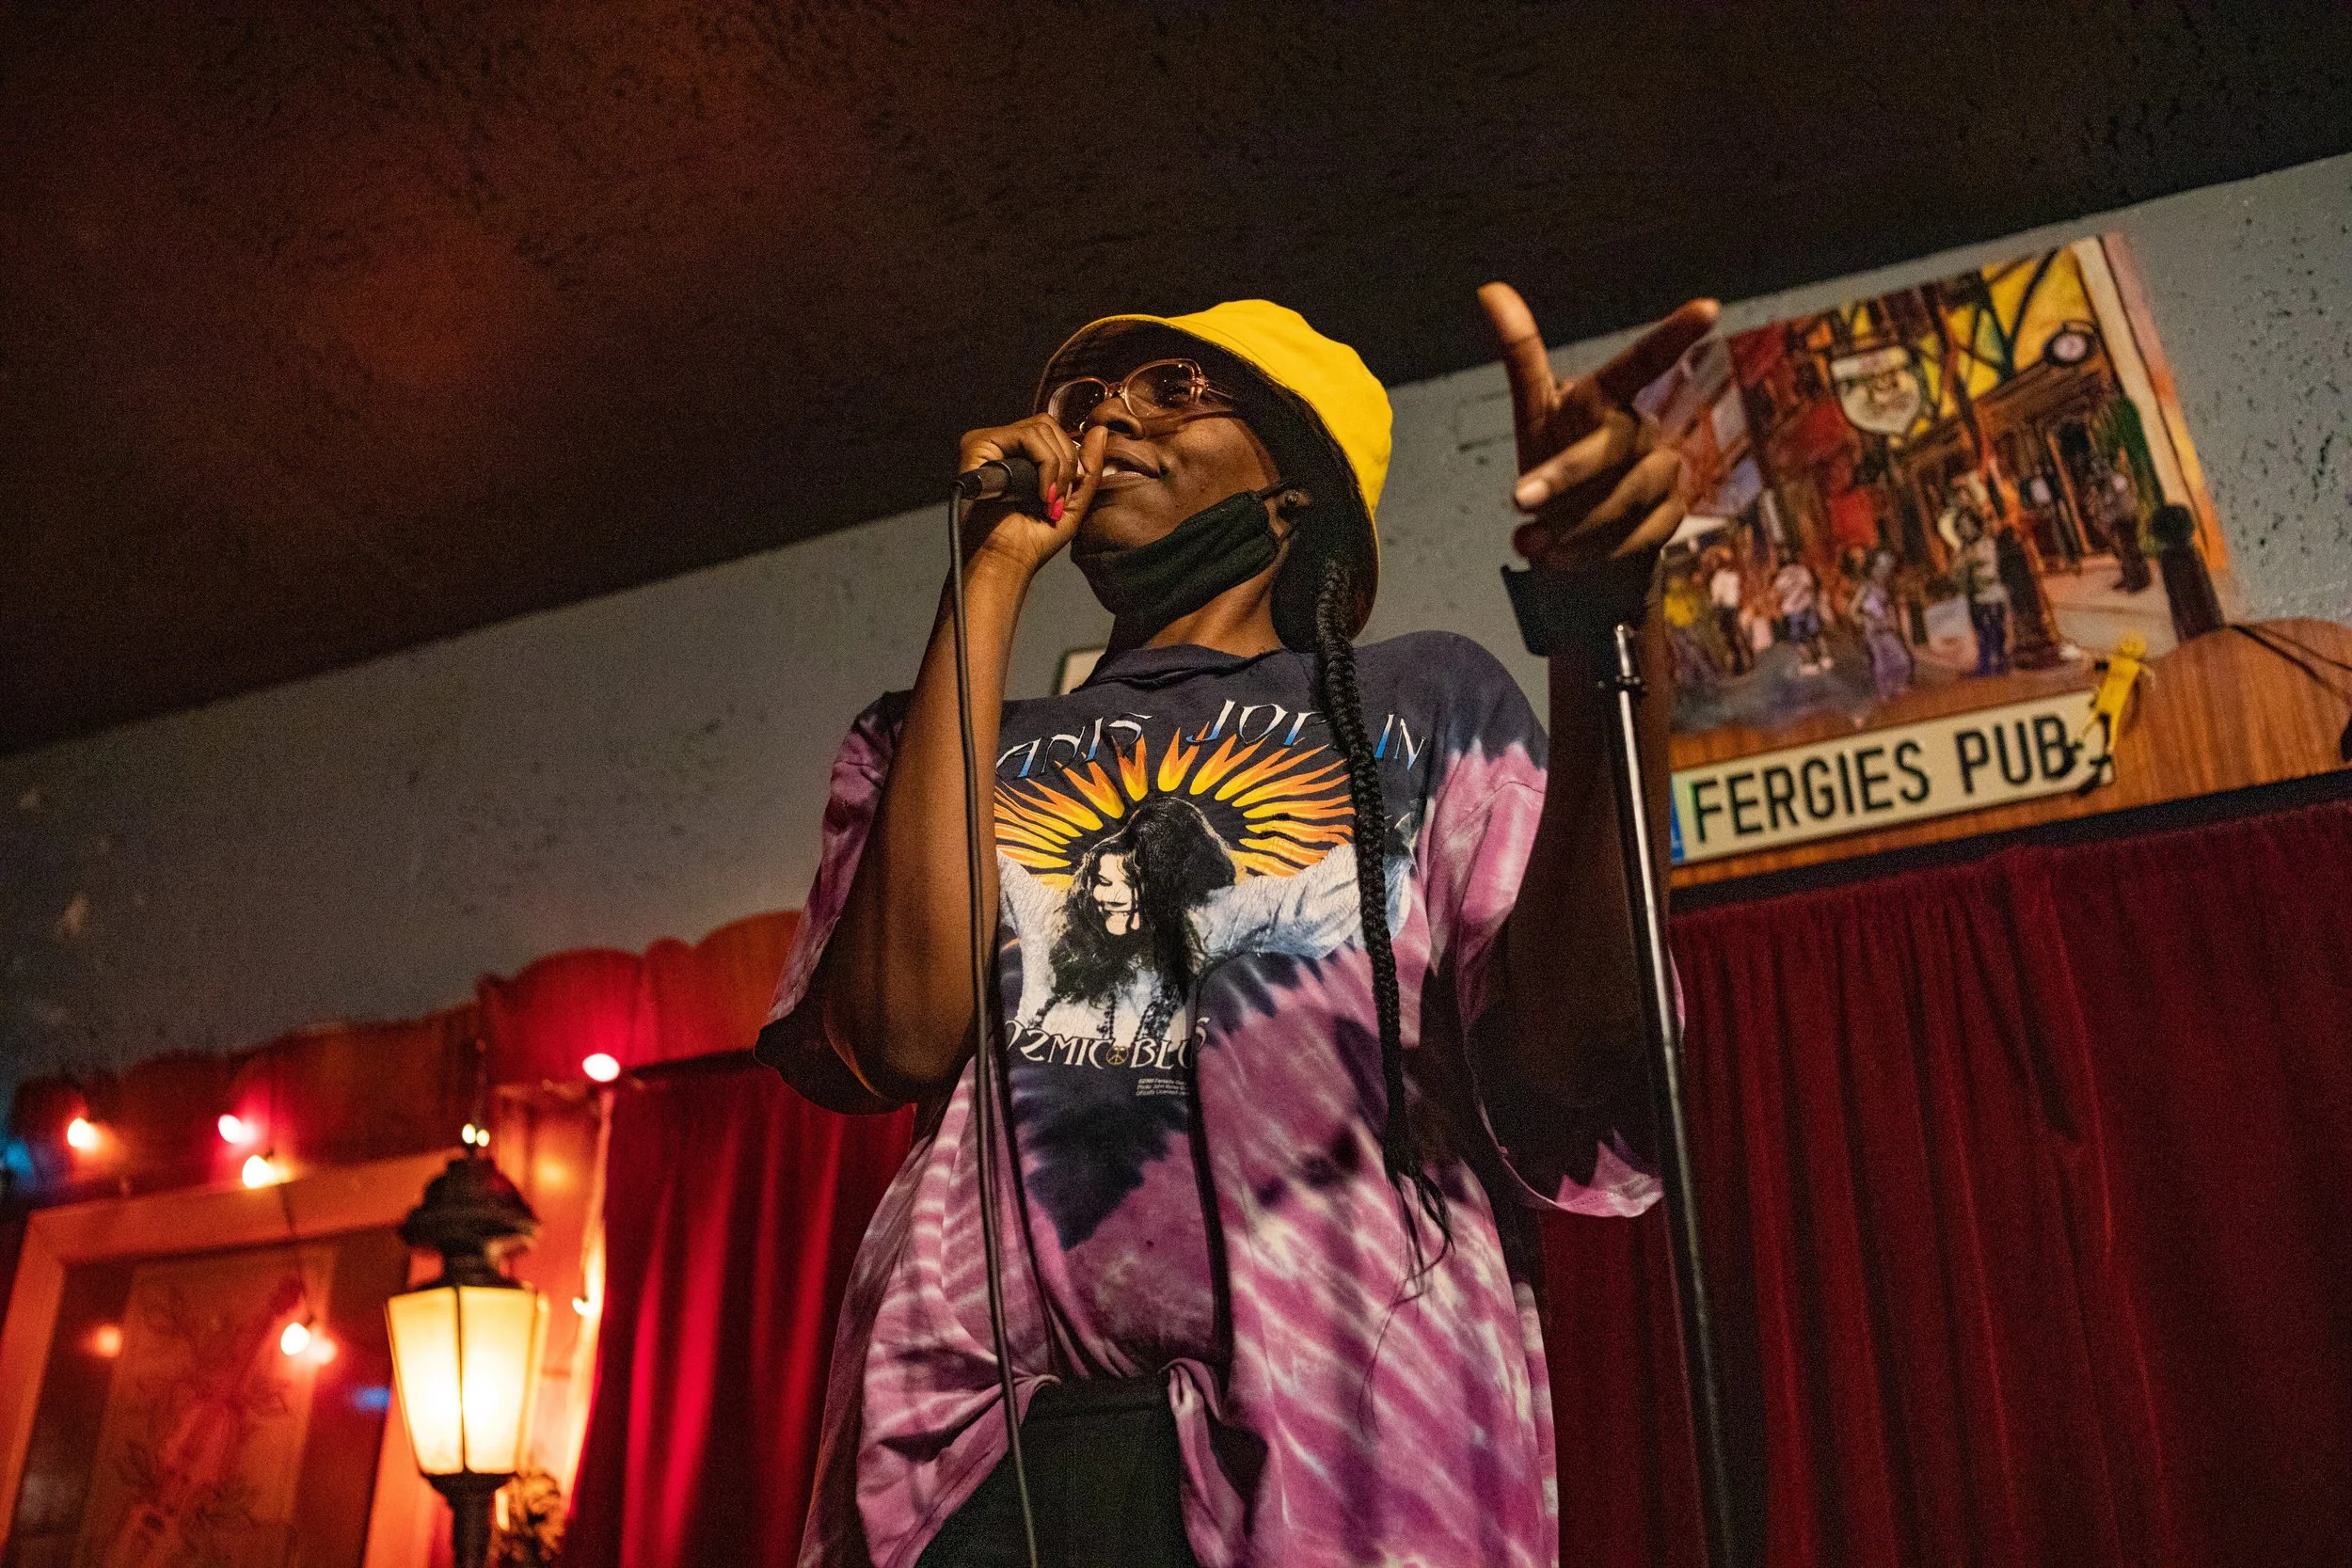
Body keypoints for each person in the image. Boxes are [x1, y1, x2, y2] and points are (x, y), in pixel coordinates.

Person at [756, 292, 1713, 1568]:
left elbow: (1578, 1044)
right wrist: (985, 573)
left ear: (1298, 486)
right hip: (982, 1455)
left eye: (1171, 386)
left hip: (1351, 1450)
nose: (1107, 417)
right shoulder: (945, 740)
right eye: (1089, 398)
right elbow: (899, 1032)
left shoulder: (1421, 701)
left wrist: (1606, 624)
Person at [1851, 547, 1913, 700]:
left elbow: (1888, 607)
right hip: (1873, 630)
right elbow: (1853, 610)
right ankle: (1884, 692)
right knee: (1882, 662)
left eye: (1886, 567)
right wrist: (1865, 620)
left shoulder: (1884, 586)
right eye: (1880, 567)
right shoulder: (1866, 587)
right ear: (1872, 567)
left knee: (1900, 659)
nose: (1883, 571)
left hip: (1885, 628)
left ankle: (1897, 686)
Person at [1774, 553, 1830, 674]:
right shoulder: (1802, 570)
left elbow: (1778, 592)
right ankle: (1824, 657)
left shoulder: (1781, 576)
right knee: (1815, 632)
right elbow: (1810, 586)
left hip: (1792, 610)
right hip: (1807, 606)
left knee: (1798, 638)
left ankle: (1808, 663)